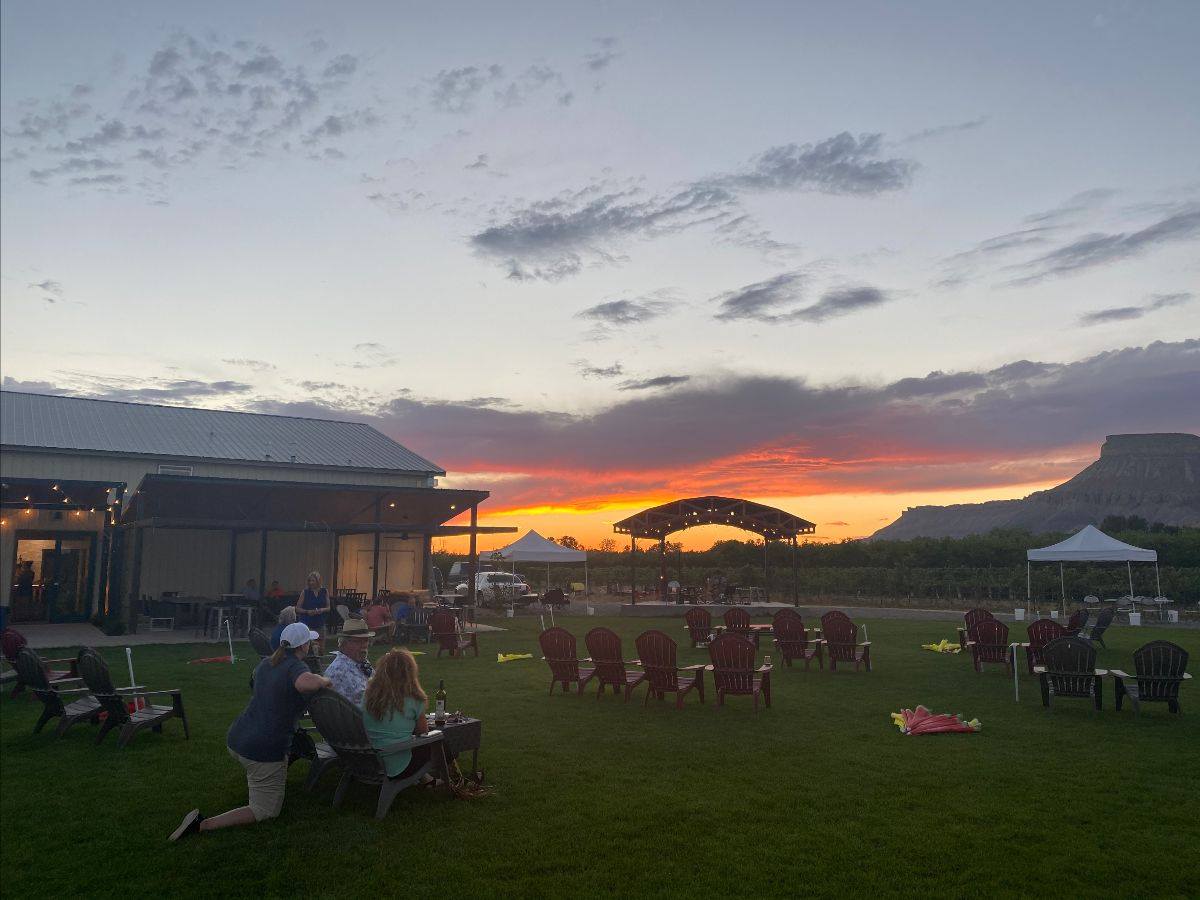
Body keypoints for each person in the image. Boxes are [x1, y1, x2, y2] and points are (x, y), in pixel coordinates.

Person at [170, 622, 331, 840]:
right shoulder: (295, 666)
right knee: (265, 811)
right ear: (303, 646)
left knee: (293, 748)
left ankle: (266, 779)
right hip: (262, 749)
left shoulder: (267, 663)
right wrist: (325, 680)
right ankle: (203, 824)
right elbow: (304, 683)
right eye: (309, 642)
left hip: (238, 738)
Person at [361, 647, 431, 779]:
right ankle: (452, 783)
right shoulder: (415, 699)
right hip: (399, 766)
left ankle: (430, 780)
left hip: (371, 761)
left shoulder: (368, 696)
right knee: (440, 743)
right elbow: (423, 734)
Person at [324, 618, 375, 705]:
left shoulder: (360, 661)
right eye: (357, 641)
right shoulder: (339, 671)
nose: (364, 645)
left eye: (366, 640)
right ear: (344, 643)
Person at [294, 571, 331, 651]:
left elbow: (328, 607)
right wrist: (307, 611)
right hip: (307, 624)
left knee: (321, 648)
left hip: (320, 623)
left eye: (313, 580)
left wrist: (322, 610)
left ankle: (320, 662)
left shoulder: (324, 591)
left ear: (318, 581)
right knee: (309, 648)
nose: (311, 583)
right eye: (309, 581)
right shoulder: (305, 592)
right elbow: (297, 608)